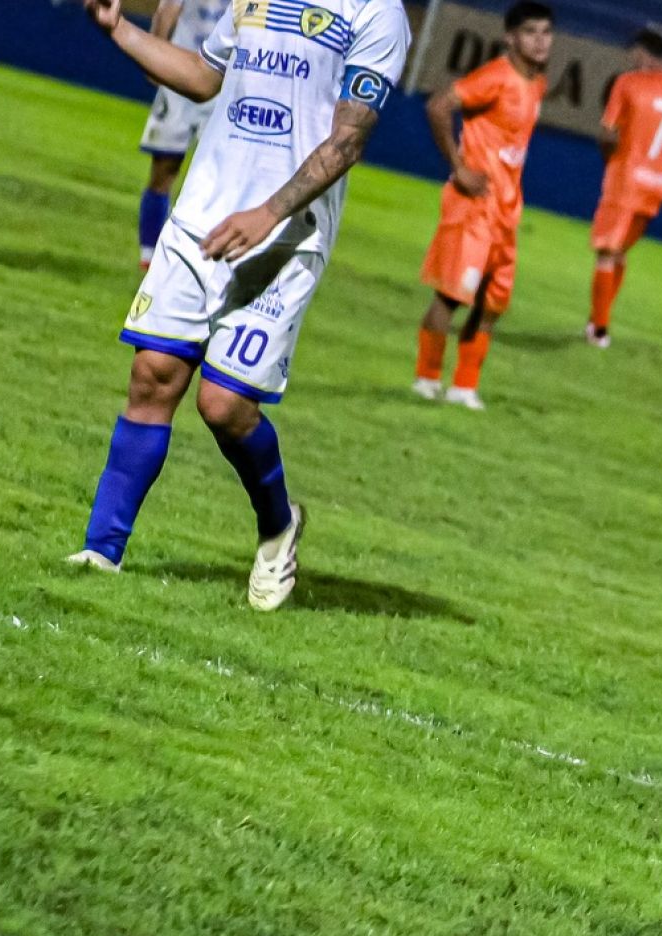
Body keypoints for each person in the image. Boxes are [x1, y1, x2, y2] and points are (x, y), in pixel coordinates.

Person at [65, 0, 410, 613]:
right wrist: (119, 30)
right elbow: (204, 75)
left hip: (286, 237)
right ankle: (101, 551)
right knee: (152, 376)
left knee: (224, 405)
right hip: (202, 216)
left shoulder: (377, 13)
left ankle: (278, 527)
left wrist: (267, 213)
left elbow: (347, 140)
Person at [413, 2, 553, 411]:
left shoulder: (536, 83)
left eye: (546, 32)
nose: (540, 41)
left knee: (492, 303)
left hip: (506, 210)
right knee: (452, 296)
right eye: (530, 32)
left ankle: (464, 386)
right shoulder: (496, 76)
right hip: (474, 206)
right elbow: (438, 105)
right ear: (510, 37)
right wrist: (458, 167)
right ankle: (427, 379)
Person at [583, 24, 662, 348]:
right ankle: (596, 321)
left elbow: (607, 133)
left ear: (644, 52)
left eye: (635, 51)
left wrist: (611, 160)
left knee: (606, 252)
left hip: (625, 179)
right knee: (620, 253)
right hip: (657, 183)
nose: (632, 57)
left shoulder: (628, 82)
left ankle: (599, 330)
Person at [135, 0, 230, 270]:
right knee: (169, 169)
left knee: (211, 177)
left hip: (220, 83)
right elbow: (168, 9)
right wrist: (155, 56)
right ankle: (151, 255)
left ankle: (185, 257)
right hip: (184, 73)